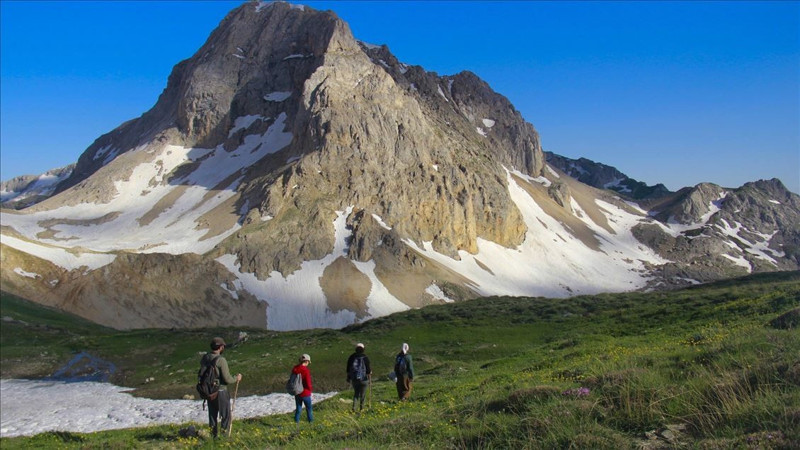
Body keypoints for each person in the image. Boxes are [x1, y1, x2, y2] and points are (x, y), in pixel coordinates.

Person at [200, 337, 242, 438]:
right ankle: (224, 437)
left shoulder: (205, 358)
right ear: (221, 347)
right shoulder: (221, 360)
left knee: (212, 416)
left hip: (209, 392)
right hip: (221, 391)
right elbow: (227, 379)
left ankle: (213, 437)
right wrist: (236, 378)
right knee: (225, 415)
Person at [346, 343, 372, 412]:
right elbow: (368, 370)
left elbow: (348, 369)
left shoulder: (352, 357)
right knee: (362, 394)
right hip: (363, 379)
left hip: (355, 379)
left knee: (356, 393)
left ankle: (354, 408)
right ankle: (362, 408)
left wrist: (349, 377)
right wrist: (369, 373)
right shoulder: (365, 357)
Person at [292, 353, 313, 424]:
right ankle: (311, 423)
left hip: (297, 392)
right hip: (305, 392)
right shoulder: (306, 370)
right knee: (309, 409)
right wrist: (310, 389)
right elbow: (308, 382)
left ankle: (296, 423)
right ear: (306, 361)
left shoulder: (295, 368)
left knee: (298, 408)